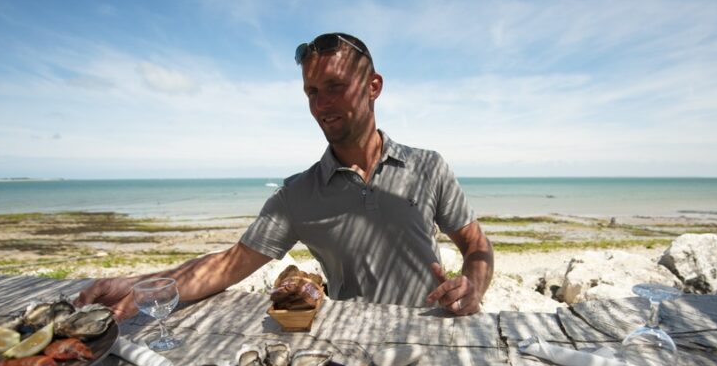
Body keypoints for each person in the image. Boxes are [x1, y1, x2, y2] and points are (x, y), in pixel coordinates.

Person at [77, 32, 493, 319]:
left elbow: (475, 244)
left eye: (335, 86)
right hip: (357, 345)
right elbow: (225, 265)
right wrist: (141, 285)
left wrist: (472, 286)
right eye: (311, 91)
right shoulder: (297, 196)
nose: (321, 103)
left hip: (437, 332)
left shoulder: (429, 166)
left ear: (373, 86)